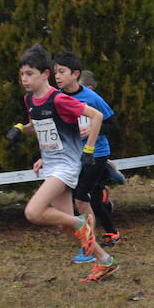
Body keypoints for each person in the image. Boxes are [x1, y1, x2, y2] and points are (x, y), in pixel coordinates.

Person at [5, 44, 118, 282]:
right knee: (66, 226)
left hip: (66, 166)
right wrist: (19, 129)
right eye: (22, 74)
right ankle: (105, 261)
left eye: (30, 74)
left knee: (33, 212)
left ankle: (82, 221)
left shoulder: (59, 99)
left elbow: (97, 117)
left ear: (44, 74)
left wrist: (89, 150)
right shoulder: (30, 100)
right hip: (51, 164)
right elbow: (38, 127)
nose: (24, 79)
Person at [52, 51, 121, 256]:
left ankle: (90, 245)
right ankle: (108, 230)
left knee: (81, 197)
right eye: (55, 72)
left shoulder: (92, 98)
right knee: (85, 198)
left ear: (75, 74)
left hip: (96, 154)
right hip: (72, 155)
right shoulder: (57, 98)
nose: (57, 76)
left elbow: (113, 125)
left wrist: (93, 129)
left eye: (62, 72)